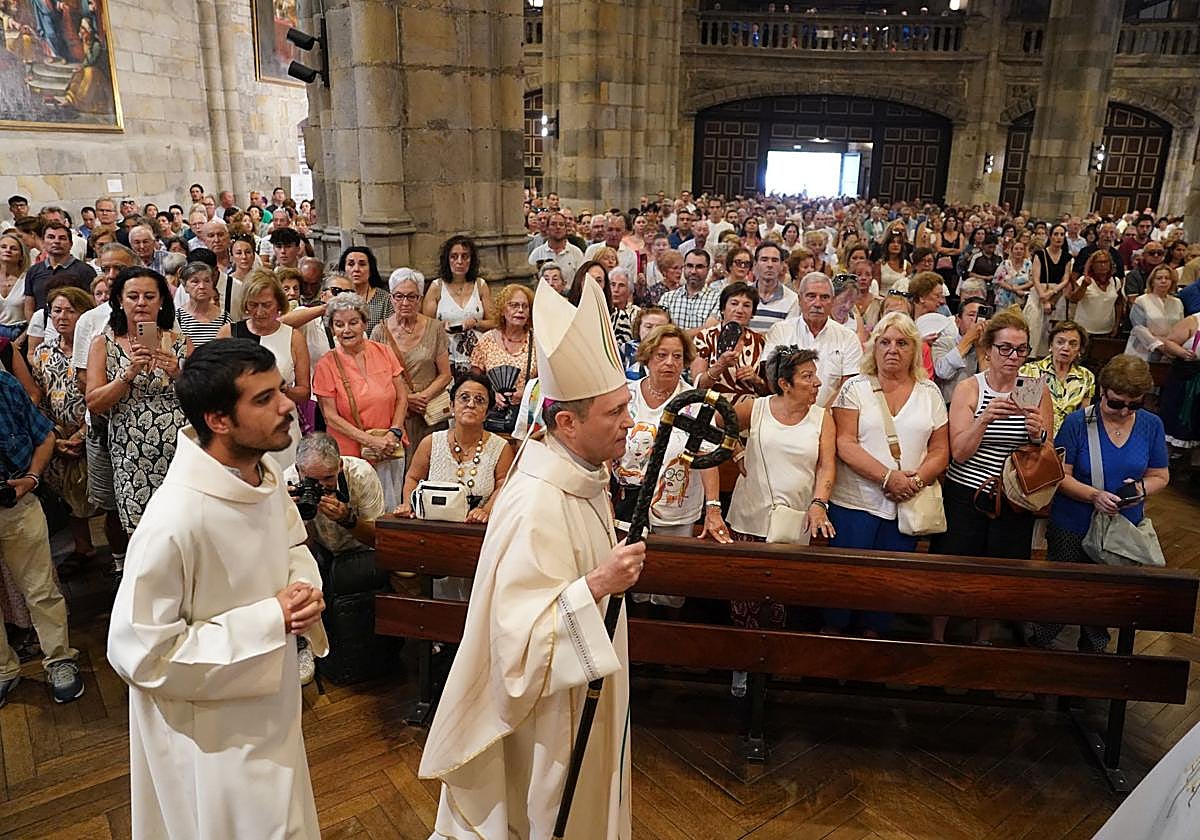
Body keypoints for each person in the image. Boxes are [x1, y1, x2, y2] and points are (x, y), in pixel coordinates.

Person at [419, 276, 644, 839]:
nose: (630, 423)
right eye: (614, 413)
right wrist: (595, 584)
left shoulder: (580, 478)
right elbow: (515, 635)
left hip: (584, 680)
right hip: (547, 711)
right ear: (566, 422)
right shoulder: (537, 500)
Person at [107, 339, 328, 840]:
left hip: (271, 707)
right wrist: (271, 620)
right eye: (264, 398)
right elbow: (141, 653)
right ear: (219, 420)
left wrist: (303, 589)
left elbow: (292, 543)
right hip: (210, 737)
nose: (288, 404)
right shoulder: (173, 519)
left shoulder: (263, 474)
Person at [1031, 356, 1169, 652]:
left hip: (1120, 530)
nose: (1124, 411)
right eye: (1116, 403)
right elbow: (1060, 476)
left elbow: (1160, 475)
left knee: (1105, 600)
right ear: (1102, 392)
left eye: (1134, 405)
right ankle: (1041, 647)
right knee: (1062, 594)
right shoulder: (1078, 423)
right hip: (1073, 523)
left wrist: (1141, 489)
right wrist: (1094, 495)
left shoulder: (1151, 425)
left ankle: (1095, 656)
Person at [931, 309, 1053, 644]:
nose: (1014, 357)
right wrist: (983, 419)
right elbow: (958, 452)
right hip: (967, 496)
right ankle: (937, 640)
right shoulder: (971, 388)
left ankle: (983, 641)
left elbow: (1046, 452)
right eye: (1006, 348)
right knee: (952, 573)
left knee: (997, 578)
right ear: (988, 350)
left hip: (1013, 499)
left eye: (1022, 349)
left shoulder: (1035, 390)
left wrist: (1038, 434)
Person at [826, 313, 950, 636]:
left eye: (902, 343)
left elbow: (940, 451)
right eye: (885, 342)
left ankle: (872, 657)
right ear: (873, 348)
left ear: (915, 350)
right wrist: (887, 478)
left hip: (905, 508)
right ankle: (830, 659)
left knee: (886, 591)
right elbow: (844, 443)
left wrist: (915, 481)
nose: (892, 349)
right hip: (854, 505)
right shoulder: (855, 387)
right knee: (844, 588)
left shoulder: (930, 392)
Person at [726, 346, 836, 692]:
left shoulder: (822, 418)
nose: (816, 382)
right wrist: (737, 451)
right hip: (749, 517)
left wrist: (820, 502)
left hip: (793, 521)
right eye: (807, 377)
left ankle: (771, 667)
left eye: (815, 375)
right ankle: (743, 665)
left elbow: (826, 465)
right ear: (784, 383)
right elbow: (717, 423)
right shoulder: (755, 409)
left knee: (780, 600)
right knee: (744, 599)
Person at [613, 324, 731, 613]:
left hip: (676, 506)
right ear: (647, 357)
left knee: (668, 583)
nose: (669, 363)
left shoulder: (695, 404)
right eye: (662, 355)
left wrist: (713, 509)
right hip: (626, 503)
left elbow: (707, 459)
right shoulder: (626, 396)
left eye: (677, 356)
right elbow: (605, 442)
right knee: (626, 580)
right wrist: (603, 488)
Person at [0, 368, 85, 708]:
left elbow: (44, 436)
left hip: (16, 502)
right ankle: (4, 670)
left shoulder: (4, 386)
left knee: (40, 588)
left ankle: (60, 659)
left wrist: (32, 479)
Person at [85, 267, 192, 534]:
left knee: (185, 526)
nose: (141, 303)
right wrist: (128, 374)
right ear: (120, 301)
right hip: (132, 453)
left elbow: (203, 398)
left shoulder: (180, 343)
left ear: (162, 301)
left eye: (149, 296)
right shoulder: (103, 344)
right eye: (133, 296)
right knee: (142, 531)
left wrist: (178, 373)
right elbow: (94, 402)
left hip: (181, 451)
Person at [312, 293, 408, 508]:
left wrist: (395, 432)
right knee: (359, 510)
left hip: (391, 447)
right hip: (351, 454)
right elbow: (330, 417)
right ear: (331, 328)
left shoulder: (383, 351)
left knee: (391, 506)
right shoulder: (325, 364)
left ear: (365, 323)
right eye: (339, 324)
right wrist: (370, 441)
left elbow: (402, 396)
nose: (347, 330)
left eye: (353, 322)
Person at [31, 286, 99, 574]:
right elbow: (39, 397)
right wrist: (55, 437)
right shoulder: (43, 353)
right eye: (56, 310)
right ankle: (83, 548)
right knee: (69, 498)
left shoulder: (95, 348)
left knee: (100, 495)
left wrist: (82, 434)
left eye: (71, 311)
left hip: (93, 431)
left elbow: (99, 395)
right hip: (59, 435)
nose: (62, 316)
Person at [216, 272, 310, 470]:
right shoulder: (228, 333)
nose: (259, 312)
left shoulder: (293, 337)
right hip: (241, 430)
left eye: (266, 305)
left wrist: (281, 391)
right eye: (253, 305)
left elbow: (304, 392)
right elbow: (214, 382)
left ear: (278, 303)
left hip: (282, 428)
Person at [371, 268, 452, 462]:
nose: (405, 303)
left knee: (432, 463)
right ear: (391, 298)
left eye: (411, 296)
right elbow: (376, 378)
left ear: (420, 299)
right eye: (399, 296)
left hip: (429, 412)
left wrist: (423, 397)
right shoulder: (379, 332)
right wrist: (407, 399)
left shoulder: (435, 328)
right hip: (396, 414)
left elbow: (445, 374)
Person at [764, 272, 863, 407]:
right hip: (786, 413)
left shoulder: (848, 338)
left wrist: (822, 416)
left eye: (824, 297)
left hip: (830, 417)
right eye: (811, 296)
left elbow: (847, 387)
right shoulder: (780, 331)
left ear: (832, 301)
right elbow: (772, 379)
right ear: (799, 299)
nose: (817, 303)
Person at [286, 431, 386, 555]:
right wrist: (294, 517)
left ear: (340, 465)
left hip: (359, 551)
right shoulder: (288, 483)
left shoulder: (361, 474)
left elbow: (378, 540)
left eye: (328, 478)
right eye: (313, 480)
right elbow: (297, 549)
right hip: (316, 550)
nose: (321, 486)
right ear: (298, 470)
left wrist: (347, 519)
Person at [423, 235, 496, 378]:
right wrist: (440, 326)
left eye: (465, 256)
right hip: (446, 352)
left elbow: (494, 322)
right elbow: (425, 324)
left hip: (476, 353)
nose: (459, 262)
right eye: (454, 257)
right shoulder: (437, 287)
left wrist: (476, 323)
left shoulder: (480, 285)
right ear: (447, 260)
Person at [469, 283, 538, 423]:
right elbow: (474, 381)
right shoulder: (486, 340)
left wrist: (526, 395)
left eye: (525, 306)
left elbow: (547, 382)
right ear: (502, 310)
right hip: (492, 416)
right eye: (514, 305)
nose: (520, 310)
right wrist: (492, 395)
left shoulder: (538, 342)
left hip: (528, 417)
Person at [691, 280, 767, 403]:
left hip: (750, 407)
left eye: (747, 305)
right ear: (722, 309)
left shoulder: (760, 341)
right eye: (734, 303)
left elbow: (768, 392)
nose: (740, 310)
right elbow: (699, 386)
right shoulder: (704, 338)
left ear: (752, 313)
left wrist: (756, 379)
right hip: (713, 406)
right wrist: (720, 365)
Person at [1020, 321, 1095, 435]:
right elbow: (1022, 412)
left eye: (1073, 344)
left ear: (1080, 350)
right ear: (1050, 345)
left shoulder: (1086, 377)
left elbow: (1084, 417)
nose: (1066, 348)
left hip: (1069, 437)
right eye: (1060, 342)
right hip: (1034, 435)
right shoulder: (1029, 371)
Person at [932, 296, 988, 405]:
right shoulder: (943, 343)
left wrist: (981, 350)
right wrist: (968, 339)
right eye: (971, 315)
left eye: (981, 316)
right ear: (958, 321)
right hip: (950, 405)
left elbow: (990, 382)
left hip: (979, 406)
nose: (976, 320)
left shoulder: (991, 347)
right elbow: (943, 372)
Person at [1125, 263, 1185, 363]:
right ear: (1152, 281)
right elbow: (1139, 328)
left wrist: (1173, 347)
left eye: (1167, 278)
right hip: (1143, 350)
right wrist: (1159, 345)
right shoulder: (1141, 300)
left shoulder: (1177, 302)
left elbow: (1180, 327)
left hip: (1170, 352)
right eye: (1159, 278)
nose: (1163, 281)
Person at [1066, 249, 1123, 337]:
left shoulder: (1116, 282)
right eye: (1099, 262)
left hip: (1106, 330)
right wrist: (1084, 286)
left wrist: (1116, 325)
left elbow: (1118, 304)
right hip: (1084, 330)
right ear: (1092, 265)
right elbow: (1074, 299)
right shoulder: (1084, 280)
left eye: (1106, 262)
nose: (1103, 265)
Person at [175, 261, 231, 346]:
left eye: (207, 281)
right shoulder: (177, 318)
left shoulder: (225, 318)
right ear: (185, 287)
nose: (202, 286)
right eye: (195, 281)